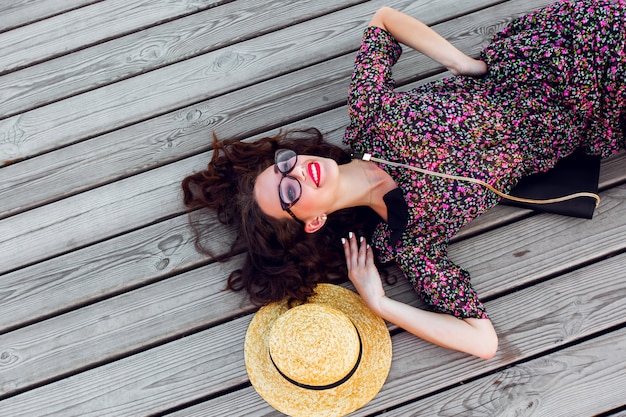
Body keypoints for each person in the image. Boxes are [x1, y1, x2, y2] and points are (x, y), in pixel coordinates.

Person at [182, 0, 625, 359]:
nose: (296, 171)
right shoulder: (408, 237)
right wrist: (380, 304)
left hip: (557, 49)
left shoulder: (369, 120)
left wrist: (465, 65)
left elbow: (384, 20)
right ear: (311, 222)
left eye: (283, 166)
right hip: (594, 112)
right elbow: (482, 341)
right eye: (290, 192)